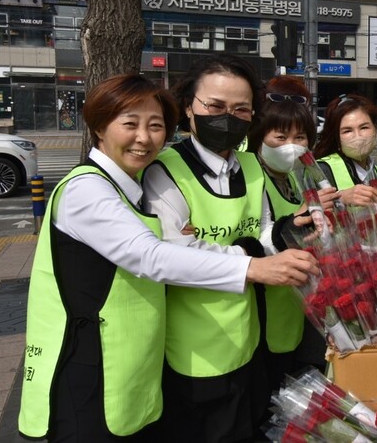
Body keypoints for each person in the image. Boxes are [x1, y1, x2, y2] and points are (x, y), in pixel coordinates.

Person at [18, 74, 318, 442]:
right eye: (130, 124)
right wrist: (251, 265)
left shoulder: (127, 186)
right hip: (86, 365)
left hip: (135, 365)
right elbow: (151, 255)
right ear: (99, 127)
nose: (144, 138)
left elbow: (249, 231)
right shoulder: (87, 189)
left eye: (156, 126)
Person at [142, 55, 309, 441]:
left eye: (241, 109)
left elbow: (263, 232)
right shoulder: (165, 171)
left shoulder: (251, 166)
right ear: (189, 107)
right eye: (215, 107)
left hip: (248, 340)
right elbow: (173, 257)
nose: (227, 117)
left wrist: (291, 229)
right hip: (193, 352)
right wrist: (251, 260)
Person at [246, 75, 338, 400]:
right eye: (280, 135)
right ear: (260, 134)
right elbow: (254, 241)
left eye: (300, 137)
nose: (292, 145)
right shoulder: (251, 178)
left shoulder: (297, 178)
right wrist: (299, 218)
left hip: (302, 311)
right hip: (266, 315)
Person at [313, 93, 377, 207]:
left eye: (364, 127)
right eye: (347, 131)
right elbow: (308, 213)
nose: (357, 136)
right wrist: (340, 198)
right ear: (337, 138)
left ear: (375, 129)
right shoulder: (322, 170)